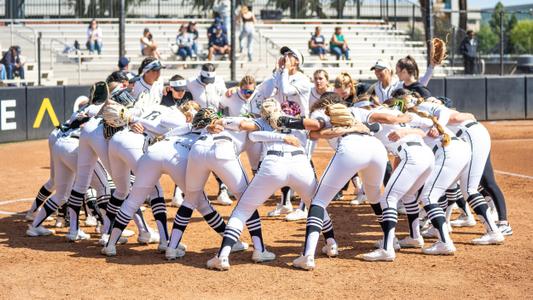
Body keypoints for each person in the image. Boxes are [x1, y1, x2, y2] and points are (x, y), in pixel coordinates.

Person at [371, 59, 435, 103]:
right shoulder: (375, 87)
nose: (377, 72)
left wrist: (431, 67)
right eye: (375, 70)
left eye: (379, 70)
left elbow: (419, 85)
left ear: (388, 70)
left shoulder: (400, 83)